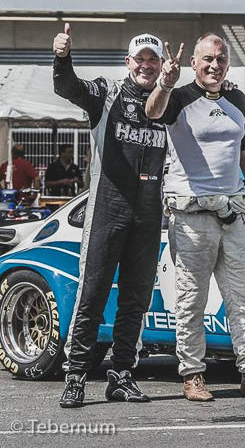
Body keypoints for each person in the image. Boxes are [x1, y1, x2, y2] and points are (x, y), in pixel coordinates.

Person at [146, 32, 245, 402]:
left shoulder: (237, 98)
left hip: (233, 213)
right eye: (207, 59)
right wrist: (166, 79)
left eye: (221, 59)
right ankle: (193, 374)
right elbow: (152, 112)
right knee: (191, 299)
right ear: (194, 63)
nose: (214, 65)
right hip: (191, 213)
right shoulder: (178, 96)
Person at [53, 25, 168, 407]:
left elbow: (208, 96)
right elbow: (68, 87)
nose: (147, 66)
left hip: (149, 213)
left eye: (153, 60)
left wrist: (227, 86)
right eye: (141, 60)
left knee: (136, 300)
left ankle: (121, 374)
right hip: (107, 208)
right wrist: (62, 56)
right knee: (93, 294)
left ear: (161, 64)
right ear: (128, 63)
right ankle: (76, 376)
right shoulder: (108, 92)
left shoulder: (170, 103)